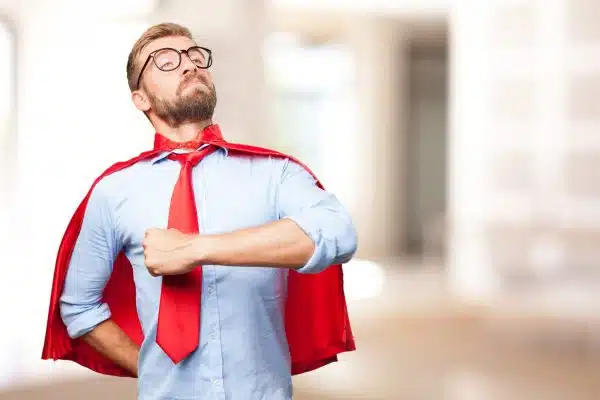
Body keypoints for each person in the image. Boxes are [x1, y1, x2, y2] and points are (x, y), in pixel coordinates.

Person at [41, 22, 357, 400]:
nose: (189, 65)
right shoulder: (114, 191)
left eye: (195, 55)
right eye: (166, 61)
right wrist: (150, 370)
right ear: (140, 98)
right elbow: (78, 306)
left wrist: (196, 249)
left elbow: (338, 233)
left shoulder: (275, 173)